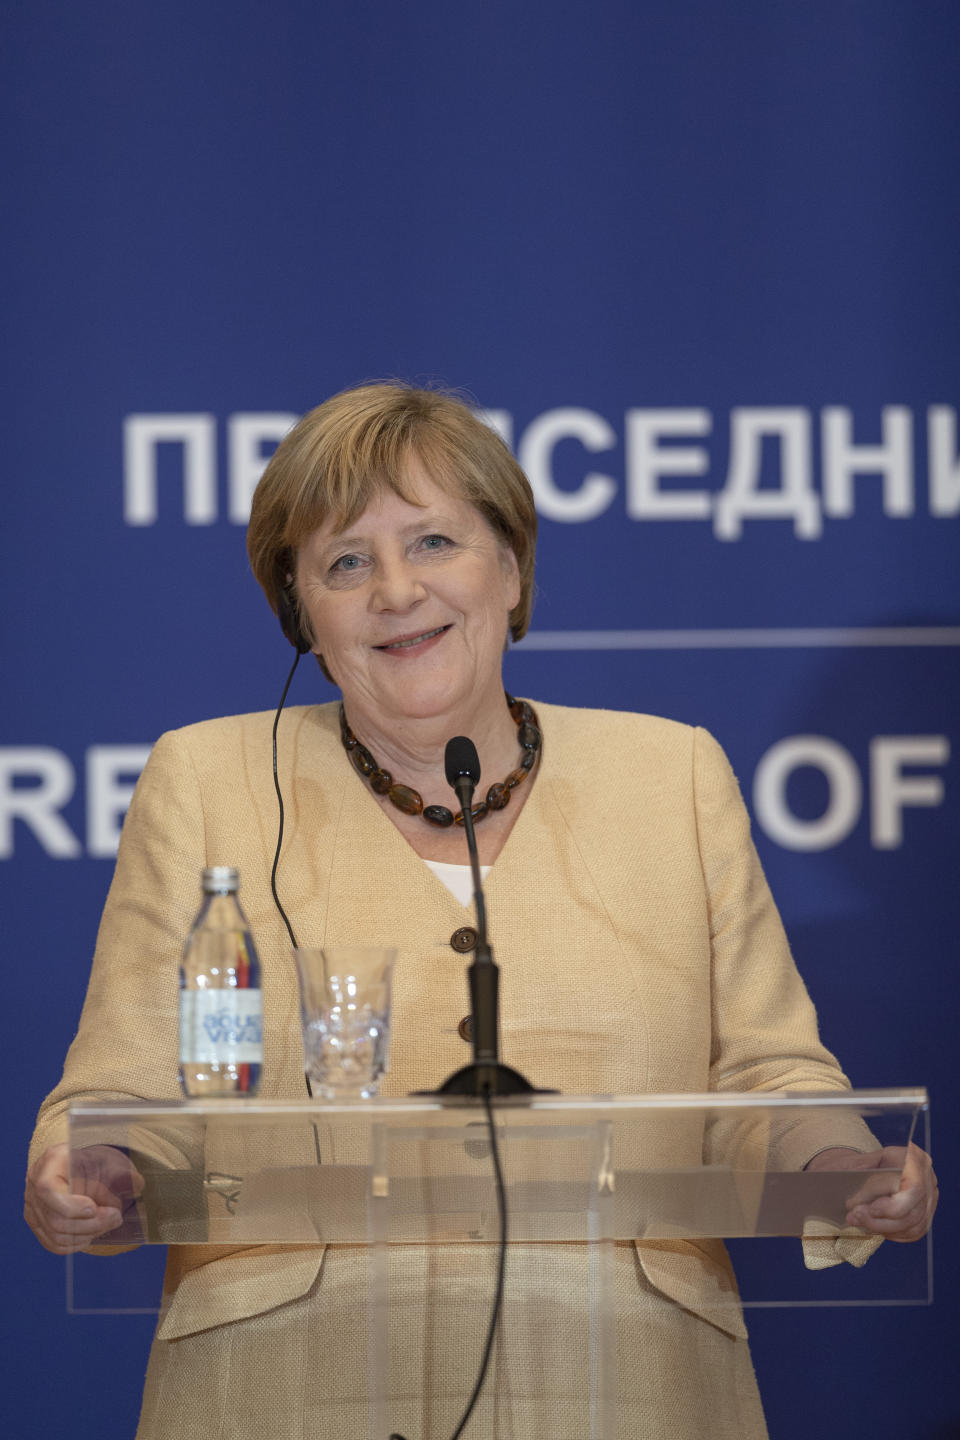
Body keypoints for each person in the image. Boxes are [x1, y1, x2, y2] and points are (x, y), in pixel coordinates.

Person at [25, 383, 937, 1439]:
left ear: (510, 568)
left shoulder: (671, 774)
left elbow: (768, 1073)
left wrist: (840, 1169)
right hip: (286, 1389)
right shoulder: (207, 780)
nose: (396, 590)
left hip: (629, 1390)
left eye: (435, 541)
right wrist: (92, 1165)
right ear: (300, 613)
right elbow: (121, 1087)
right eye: (346, 562)